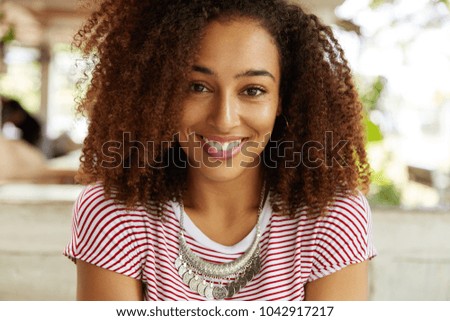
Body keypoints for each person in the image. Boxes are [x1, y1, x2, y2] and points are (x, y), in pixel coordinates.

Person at [64, 0, 376, 301]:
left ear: (282, 99)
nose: (224, 120)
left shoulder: (332, 217)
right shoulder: (113, 213)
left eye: (253, 90)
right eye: (197, 86)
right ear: (160, 91)